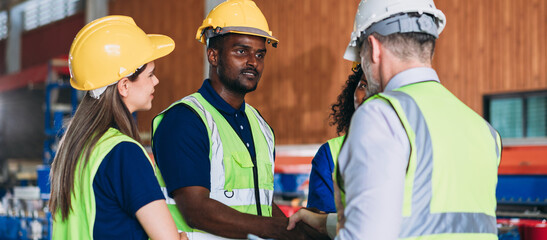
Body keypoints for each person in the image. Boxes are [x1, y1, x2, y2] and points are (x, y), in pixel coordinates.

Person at [288, 0, 502, 239]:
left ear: (374, 48)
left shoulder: (381, 115)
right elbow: (419, 219)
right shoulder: (485, 131)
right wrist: (323, 222)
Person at [152, 0, 328, 239]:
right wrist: (279, 230)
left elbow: (259, 204)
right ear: (213, 56)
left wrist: (296, 228)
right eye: (241, 51)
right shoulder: (185, 119)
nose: (253, 62)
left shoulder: (261, 126)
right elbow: (196, 210)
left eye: (260, 54)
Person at [48, 16, 184, 240]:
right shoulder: (124, 152)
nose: (156, 81)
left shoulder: (75, 148)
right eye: (150, 74)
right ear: (124, 85)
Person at [307, 65, 366, 213]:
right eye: (363, 85)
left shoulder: (410, 143)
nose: (367, 95)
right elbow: (319, 224)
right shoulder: (329, 154)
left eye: (378, 87)